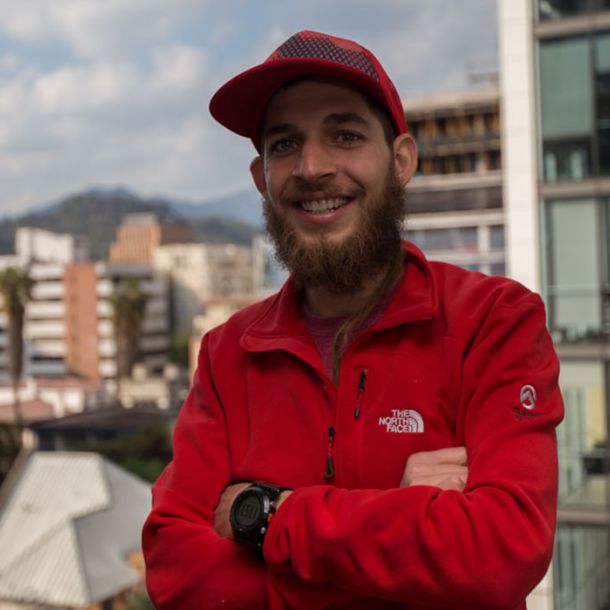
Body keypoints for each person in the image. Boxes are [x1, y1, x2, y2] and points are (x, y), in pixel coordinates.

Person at [142, 30, 564, 610]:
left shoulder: (493, 321)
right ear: (261, 177)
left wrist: (269, 517)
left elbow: (502, 551)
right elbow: (176, 572)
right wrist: (401, 521)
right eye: (285, 144)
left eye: (345, 135)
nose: (312, 167)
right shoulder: (227, 353)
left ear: (401, 161)